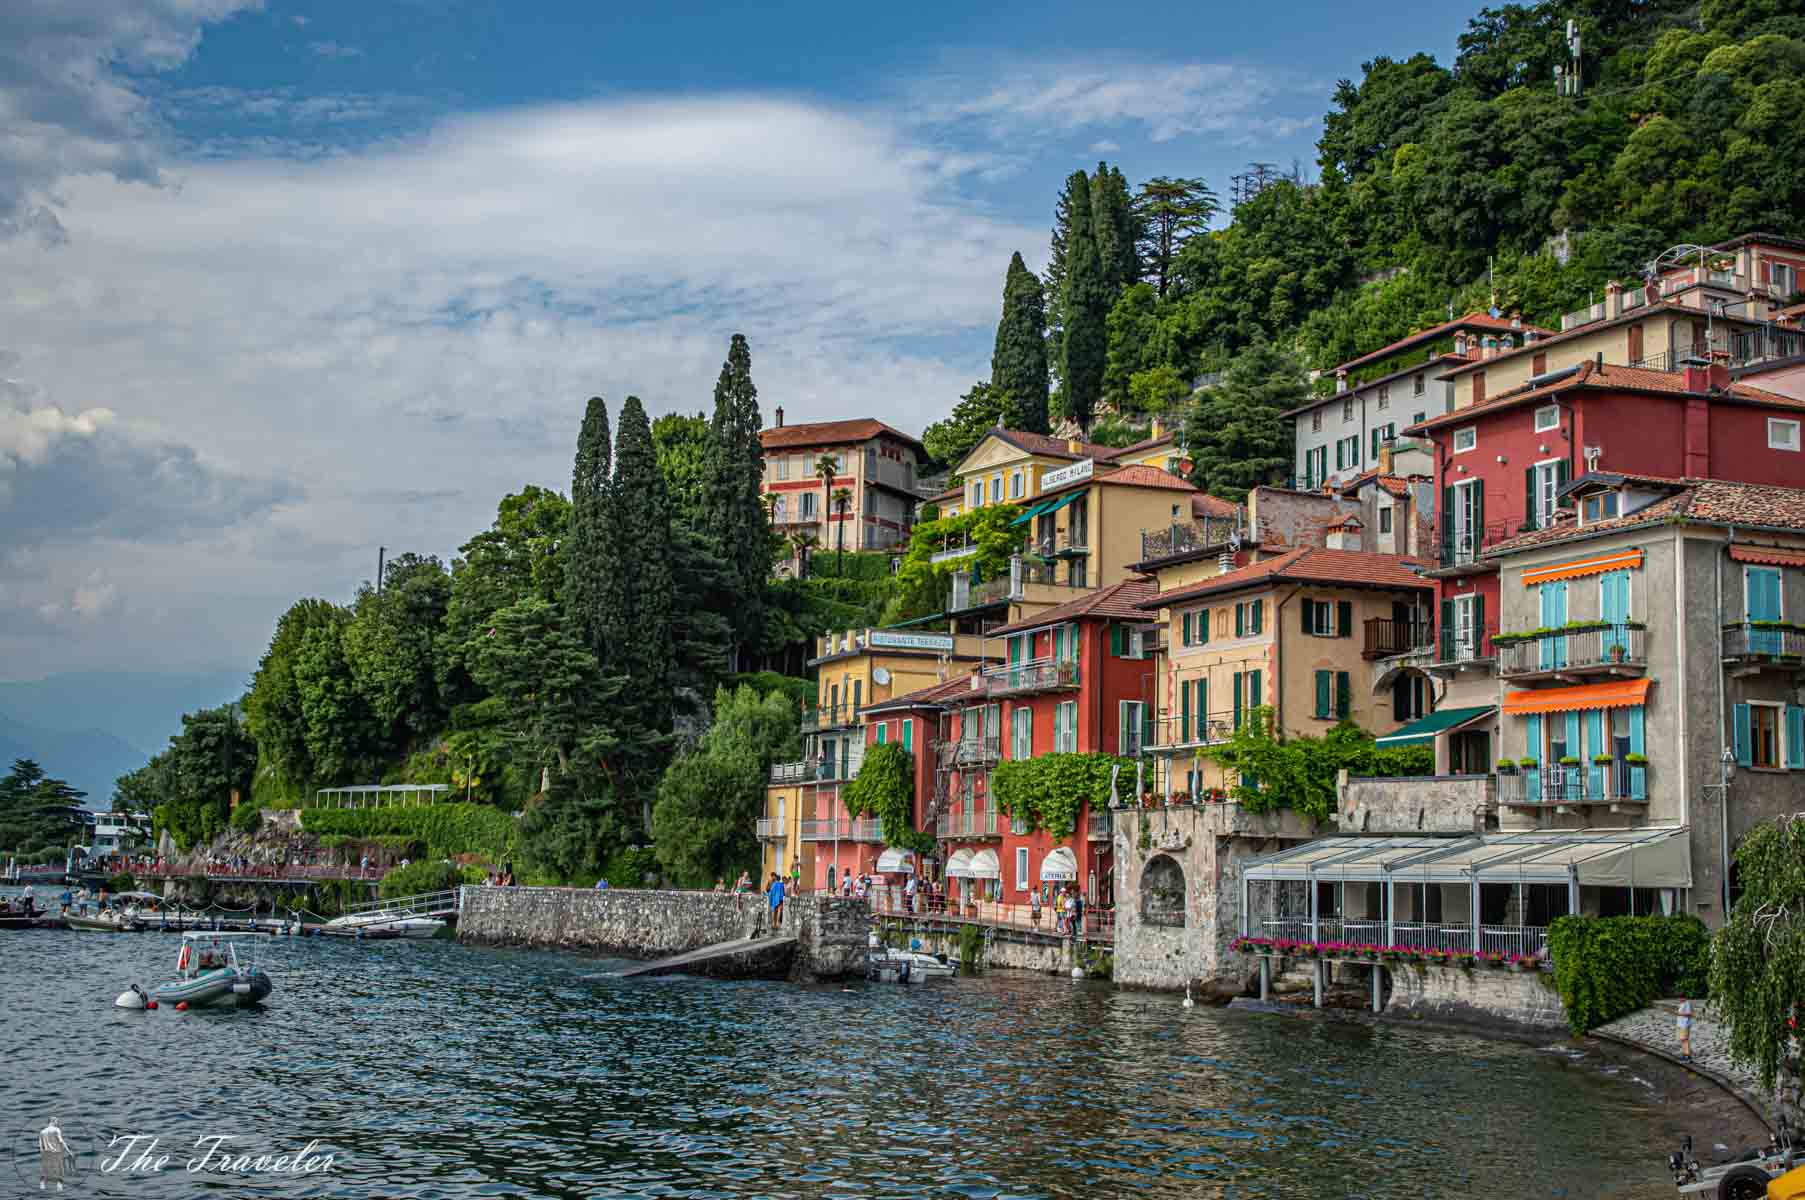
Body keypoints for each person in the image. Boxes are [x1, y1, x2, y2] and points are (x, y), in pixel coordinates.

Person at [1677, 997, 1694, 1061]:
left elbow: (1690, 1014)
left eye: (1681, 998)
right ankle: (1684, 1054)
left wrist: (1679, 1014)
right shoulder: (1682, 1004)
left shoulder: (1687, 1004)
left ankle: (1687, 1055)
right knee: (1682, 1039)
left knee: (1685, 1039)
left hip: (1685, 1025)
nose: (1679, 999)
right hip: (1681, 1025)